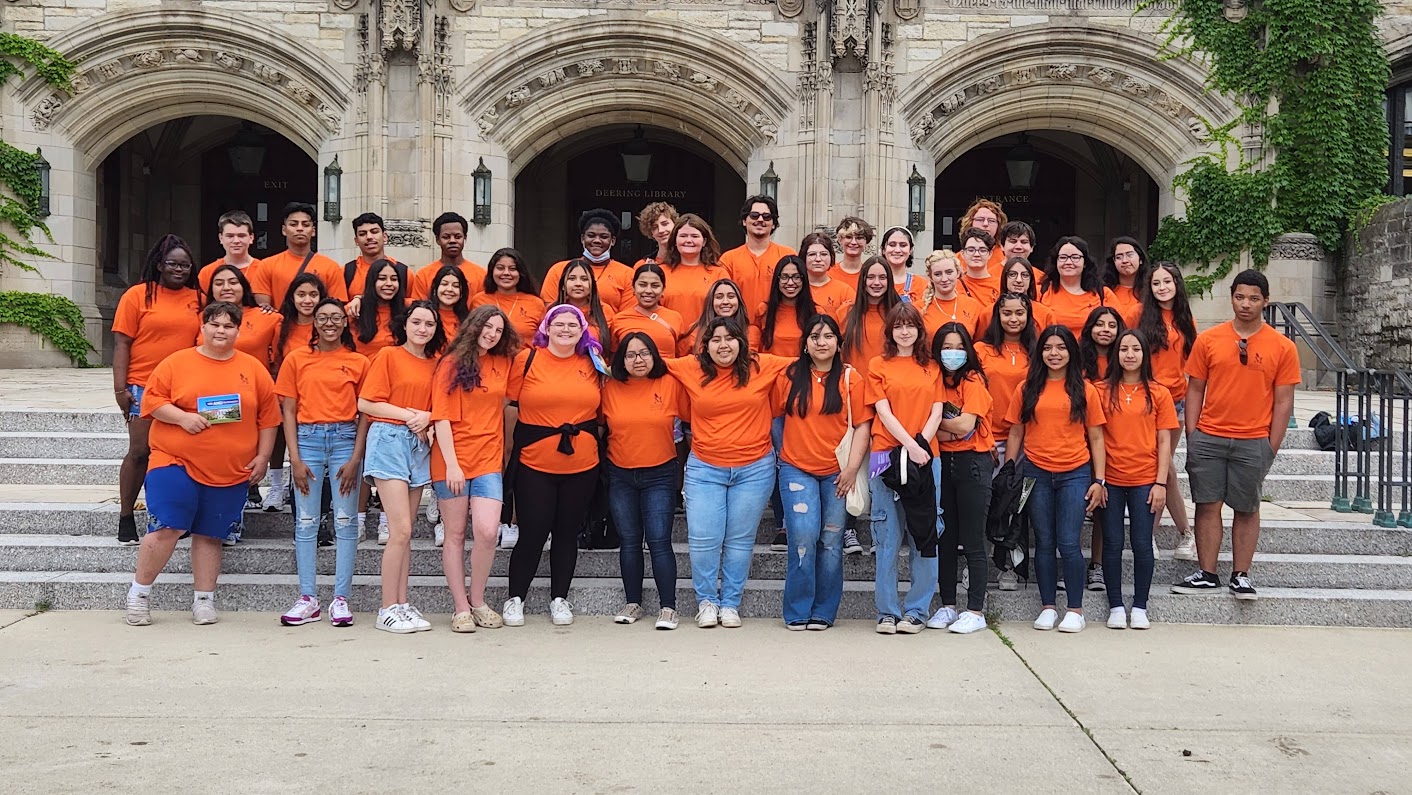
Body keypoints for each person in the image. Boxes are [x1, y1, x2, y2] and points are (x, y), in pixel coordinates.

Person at [123, 301, 279, 627]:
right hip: (174, 460)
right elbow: (152, 401)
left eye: (229, 326)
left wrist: (263, 456)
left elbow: (268, 418)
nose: (221, 331)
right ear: (203, 327)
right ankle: (139, 594)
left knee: (210, 533)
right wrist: (182, 418)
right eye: (215, 324)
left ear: (238, 331)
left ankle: (204, 600)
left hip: (229, 469)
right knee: (168, 525)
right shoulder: (176, 362)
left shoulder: (252, 368)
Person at [1172, 269, 1299, 601]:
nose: (1246, 304)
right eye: (1240, 297)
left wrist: (1271, 445)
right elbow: (1194, 388)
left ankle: (1241, 574)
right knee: (1207, 503)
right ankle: (1207, 572)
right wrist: (1193, 434)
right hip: (1209, 436)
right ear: (1232, 298)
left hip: (1253, 439)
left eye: (1254, 298)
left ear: (1265, 301)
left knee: (1247, 507)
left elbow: (1284, 401)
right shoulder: (1209, 340)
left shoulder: (1282, 347)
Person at [665, 317, 793, 628]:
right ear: (705, 346)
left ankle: (731, 603)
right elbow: (649, 363)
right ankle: (707, 602)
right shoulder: (690, 367)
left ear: (742, 343)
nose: (723, 345)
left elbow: (808, 362)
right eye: (716, 339)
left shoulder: (763, 365)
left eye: (730, 338)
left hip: (754, 469)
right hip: (705, 468)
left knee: (740, 540)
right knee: (704, 540)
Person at [502, 305, 605, 627]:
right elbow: (507, 404)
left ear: (582, 330)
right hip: (535, 463)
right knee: (532, 532)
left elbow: (604, 409)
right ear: (546, 327)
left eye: (572, 324)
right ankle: (515, 597)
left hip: (582, 464)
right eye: (558, 324)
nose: (565, 330)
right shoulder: (527, 359)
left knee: (566, 533)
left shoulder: (592, 362)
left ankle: (560, 597)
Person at [1004, 325, 1108, 633]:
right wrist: (1009, 469)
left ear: (1071, 352)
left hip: (1075, 473)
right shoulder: (1026, 388)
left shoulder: (1085, 390)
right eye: (1048, 347)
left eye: (1061, 347)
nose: (1054, 353)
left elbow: (1096, 437)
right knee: (1044, 542)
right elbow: (1016, 432)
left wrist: (1099, 480)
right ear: (1040, 353)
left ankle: (1075, 610)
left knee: (1068, 542)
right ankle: (1048, 607)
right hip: (1035, 473)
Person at [273, 297, 369, 628]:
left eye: (336, 317)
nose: (329, 323)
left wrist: (356, 458)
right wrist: (294, 458)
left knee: (345, 521)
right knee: (305, 521)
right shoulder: (296, 359)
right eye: (323, 317)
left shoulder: (358, 361)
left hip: (344, 438)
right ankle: (308, 598)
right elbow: (288, 410)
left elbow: (365, 414)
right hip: (307, 439)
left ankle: (341, 598)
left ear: (345, 322)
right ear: (313, 323)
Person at [774, 315, 871, 630]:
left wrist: (851, 469)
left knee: (831, 540)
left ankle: (824, 611)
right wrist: (783, 452)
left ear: (838, 343)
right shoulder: (789, 376)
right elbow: (776, 417)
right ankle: (797, 609)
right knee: (803, 535)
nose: (821, 342)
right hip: (796, 469)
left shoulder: (850, 378)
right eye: (815, 336)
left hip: (838, 473)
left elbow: (863, 426)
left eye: (828, 336)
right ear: (805, 344)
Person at [358, 300, 446, 633]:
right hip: (389, 439)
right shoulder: (388, 355)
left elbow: (439, 407)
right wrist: (412, 415)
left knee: (406, 533)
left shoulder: (436, 364)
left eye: (430, 324)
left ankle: (402, 603)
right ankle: (386, 608)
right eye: (417, 322)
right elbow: (366, 402)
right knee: (401, 530)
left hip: (419, 445)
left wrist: (426, 417)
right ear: (405, 325)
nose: (423, 329)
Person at [431, 304, 518, 633]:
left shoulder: (503, 362)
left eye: (498, 330)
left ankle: (478, 600)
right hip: (451, 459)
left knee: (486, 531)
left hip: (488, 460)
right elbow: (441, 416)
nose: (492, 334)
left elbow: (508, 400)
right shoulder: (451, 363)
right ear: (474, 326)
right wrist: (453, 465)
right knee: (454, 534)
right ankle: (460, 607)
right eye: (487, 327)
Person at [112, 235, 203, 546]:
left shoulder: (198, 298)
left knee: (180, 455)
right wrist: (120, 388)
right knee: (140, 451)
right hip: (143, 385)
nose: (179, 269)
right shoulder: (138, 295)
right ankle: (126, 515)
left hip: (185, 387)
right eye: (172, 264)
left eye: (185, 265)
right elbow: (122, 343)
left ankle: (172, 516)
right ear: (159, 265)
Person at [866, 302, 941, 634]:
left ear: (919, 330)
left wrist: (920, 446)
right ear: (890, 331)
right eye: (898, 326)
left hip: (925, 457)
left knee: (925, 532)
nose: (905, 331)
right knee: (886, 535)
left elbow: (937, 410)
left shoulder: (932, 367)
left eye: (910, 325)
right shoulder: (878, 364)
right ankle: (887, 611)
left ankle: (917, 611)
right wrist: (909, 445)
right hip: (885, 455)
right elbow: (883, 411)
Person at [602, 332, 685, 629]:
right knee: (629, 541)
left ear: (654, 355)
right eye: (631, 354)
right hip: (620, 473)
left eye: (645, 353)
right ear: (621, 360)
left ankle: (668, 607)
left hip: (660, 473)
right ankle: (632, 602)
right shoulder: (610, 387)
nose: (638, 360)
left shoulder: (670, 384)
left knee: (659, 541)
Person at [1100, 329, 1178, 630]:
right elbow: (1096, 436)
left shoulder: (1159, 393)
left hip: (1145, 479)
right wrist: (1098, 480)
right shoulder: (1101, 390)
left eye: (1136, 349)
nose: (1129, 355)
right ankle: (1116, 605)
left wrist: (1161, 483)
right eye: (1124, 349)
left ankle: (1140, 606)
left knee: (1142, 543)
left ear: (1145, 354)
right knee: (1112, 543)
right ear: (1116, 354)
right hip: (1111, 478)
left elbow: (1164, 441)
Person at [927, 321, 995, 634]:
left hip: (973, 464)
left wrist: (935, 425)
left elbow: (966, 425)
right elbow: (920, 421)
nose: (952, 353)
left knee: (972, 539)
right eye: (946, 347)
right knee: (945, 537)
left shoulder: (973, 381)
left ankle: (975, 610)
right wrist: (947, 432)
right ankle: (948, 605)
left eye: (958, 347)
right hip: (942, 463)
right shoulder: (933, 380)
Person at [1129, 262, 1199, 559]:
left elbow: (1192, 360)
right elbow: (1127, 350)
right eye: (1156, 283)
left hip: (1176, 400)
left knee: (1163, 465)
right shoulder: (1138, 314)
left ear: (1176, 284)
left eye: (1167, 282)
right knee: (1162, 467)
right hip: (1146, 398)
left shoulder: (1185, 318)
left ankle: (1153, 534)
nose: (1162, 288)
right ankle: (1183, 533)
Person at [975, 292, 1038, 591]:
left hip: (1027, 442)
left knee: (1015, 507)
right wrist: (984, 435)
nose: (1013, 319)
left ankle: (1009, 567)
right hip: (988, 439)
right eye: (1007, 313)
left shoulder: (1037, 351)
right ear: (997, 317)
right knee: (985, 505)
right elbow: (973, 395)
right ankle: (977, 566)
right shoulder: (982, 350)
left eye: (1019, 313)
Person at [265, 273, 327, 513]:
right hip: (288, 394)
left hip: (319, 396)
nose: (307, 300)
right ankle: (276, 486)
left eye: (313, 294)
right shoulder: (281, 326)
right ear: (292, 297)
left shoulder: (326, 323)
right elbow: (276, 361)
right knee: (281, 436)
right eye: (301, 294)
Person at [1078, 305, 1126, 590]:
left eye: (1111, 325)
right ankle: (1071, 563)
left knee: (1102, 507)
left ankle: (1096, 565)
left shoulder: (1125, 357)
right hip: (1078, 438)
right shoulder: (1078, 358)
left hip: (1114, 437)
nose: (1105, 330)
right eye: (1100, 324)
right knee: (1075, 505)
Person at [251, 202, 348, 307]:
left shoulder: (331, 267)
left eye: (305, 225)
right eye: (293, 224)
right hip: (280, 318)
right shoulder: (267, 265)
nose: (300, 228)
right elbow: (263, 309)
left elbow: (336, 308)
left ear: (313, 231)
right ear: (284, 230)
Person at [541, 209, 634, 311]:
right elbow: (549, 310)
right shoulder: (559, 270)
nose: (597, 240)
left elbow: (628, 315)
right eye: (591, 235)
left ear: (612, 241)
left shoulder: (628, 274)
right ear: (582, 238)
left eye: (604, 237)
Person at [720, 194, 795, 312]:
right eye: (754, 215)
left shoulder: (787, 255)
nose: (760, 220)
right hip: (740, 322)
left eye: (766, 216)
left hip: (777, 321)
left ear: (773, 224)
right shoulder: (728, 259)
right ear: (744, 221)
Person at [838, 257, 902, 385]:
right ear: (863, 280)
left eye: (882, 277)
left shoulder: (899, 314)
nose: (876, 283)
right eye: (871, 277)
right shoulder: (844, 312)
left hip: (889, 388)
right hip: (853, 387)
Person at [206, 264, 282, 370]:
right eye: (219, 284)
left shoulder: (268, 317)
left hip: (251, 378)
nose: (226, 288)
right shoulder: (202, 318)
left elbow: (281, 360)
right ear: (212, 291)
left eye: (233, 283)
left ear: (243, 287)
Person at [660, 214, 730, 329]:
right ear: (675, 241)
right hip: (668, 336)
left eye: (694, 236)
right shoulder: (660, 272)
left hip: (706, 337)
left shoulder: (719, 273)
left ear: (704, 241)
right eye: (683, 236)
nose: (688, 240)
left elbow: (726, 313)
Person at [1038, 236, 1117, 335]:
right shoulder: (1040, 292)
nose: (1068, 262)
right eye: (1063, 257)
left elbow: (1117, 329)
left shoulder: (1104, 294)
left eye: (1075, 257)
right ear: (1056, 262)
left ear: (1085, 263)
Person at [471, 247, 546, 343]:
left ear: (521, 273)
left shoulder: (536, 303)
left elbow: (543, 341)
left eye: (512, 269)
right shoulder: (479, 300)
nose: (506, 273)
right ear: (491, 271)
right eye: (500, 268)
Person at [609, 262, 683, 356]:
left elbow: (681, 355)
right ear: (633, 288)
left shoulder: (675, 318)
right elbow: (614, 357)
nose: (648, 291)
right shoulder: (618, 320)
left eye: (655, 286)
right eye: (642, 285)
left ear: (663, 290)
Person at [409, 212, 485, 302]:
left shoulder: (481, 275)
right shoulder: (423, 275)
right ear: (437, 239)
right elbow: (419, 307)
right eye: (446, 237)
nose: (452, 241)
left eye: (458, 237)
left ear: (465, 237)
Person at [677, 278, 759, 356]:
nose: (725, 302)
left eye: (731, 296)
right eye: (719, 297)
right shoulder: (695, 331)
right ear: (711, 302)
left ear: (739, 301)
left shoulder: (751, 332)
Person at [920, 249, 986, 341]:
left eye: (949, 272)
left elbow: (979, 343)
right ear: (931, 277)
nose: (944, 279)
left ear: (958, 273)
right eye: (938, 274)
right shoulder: (919, 309)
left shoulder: (973, 306)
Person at [756, 255, 814, 357]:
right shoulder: (764, 310)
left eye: (796, 277)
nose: (790, 282)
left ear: (804, 279)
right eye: (784, 277)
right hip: (771, 367)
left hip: (803, 367)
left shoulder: (815, 312)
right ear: (777, 280)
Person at [551, 258, 615, 347]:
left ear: (592, 285)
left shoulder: (605, 311)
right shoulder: (552, 311)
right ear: (563, 285)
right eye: (572, 278)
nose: (578, 283)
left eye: (584, 279)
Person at [353, 259, 407, 360]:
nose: (389, 283)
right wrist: (358, 298)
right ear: (372, 282)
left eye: (394, 279)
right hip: (362, 368)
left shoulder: (408, 308)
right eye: (382, 278)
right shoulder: (355, 309)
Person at [197, 210, 260, 292]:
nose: (236, 241)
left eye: (241, 236)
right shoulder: (207, 272)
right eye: (230, 236)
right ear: (221, 238)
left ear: (251, 238)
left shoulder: (263, 269)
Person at [344, 212, 402, 298]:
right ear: (356, 241)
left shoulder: (403, 272)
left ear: (385, 236)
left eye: (374, 232)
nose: (369, 237)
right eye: (362, 234)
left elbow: (415, 304)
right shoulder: (345, 272)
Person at [799, 231, 854, 313]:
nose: (818, 259)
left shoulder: (845, 291)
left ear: (831, 257)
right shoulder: (795, 288)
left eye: (823, 254)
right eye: (812, 254)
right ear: (803, 257)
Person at [997, 255, 1055, 329]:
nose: (1019, 280)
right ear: (1005, 278)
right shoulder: (989, 312)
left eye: (1025, 275)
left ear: (1031, 280)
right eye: (1012, 274)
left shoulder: (1046, 314)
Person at [958, 228, 1003, 306]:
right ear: (962, 254)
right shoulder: (954, 285)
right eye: (971, 250)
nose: (976, 254)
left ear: (990, 254)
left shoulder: (1000, 285)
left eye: (982, 250)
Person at [1104, 237, 1150, 313]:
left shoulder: (1151, 290)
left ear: (1140, 259)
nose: (1124, 260)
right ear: (1114, 261)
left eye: (1129, 255)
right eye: (1119, 257)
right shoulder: (1105, 292)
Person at [880, 226, 925, 302]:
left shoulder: (922, 284)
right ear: (883, 249)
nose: (897, 250)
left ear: (910, 250)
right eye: (892, 245)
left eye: (903, 245)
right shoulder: (874, 282)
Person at [428, 264, 471, 343]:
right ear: (435, 288)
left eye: (456, 286)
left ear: (462, 292)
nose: (450, 289)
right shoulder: (426, 316)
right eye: (444, 284)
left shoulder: (469, 321)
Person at [831, 216, 873, 292]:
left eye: (859, 238)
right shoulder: (828, 273)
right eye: (848, 237)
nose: (853, 242)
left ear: (866, 242)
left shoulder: (871, 274)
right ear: (840, 240)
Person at [634, 201, 679, 266]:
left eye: (665, 224)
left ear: (675, 224)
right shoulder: (642, 265)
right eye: (654, 227)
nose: (660, 230)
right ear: (651, 233)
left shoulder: (688, 262)